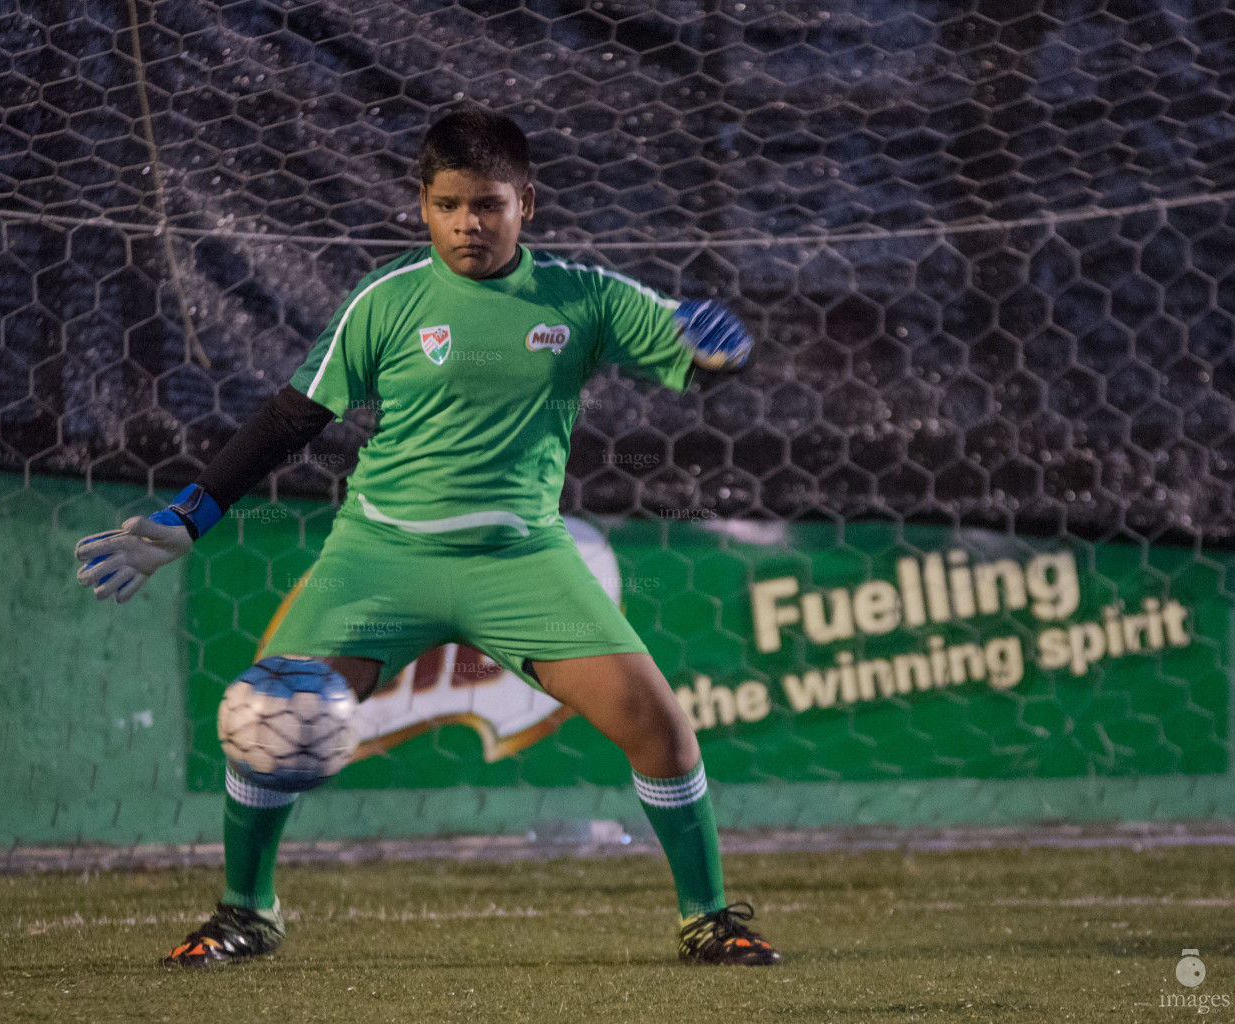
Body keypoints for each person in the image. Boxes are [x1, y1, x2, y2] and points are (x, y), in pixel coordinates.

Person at [75, 109, 778, 968]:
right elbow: (292, 419)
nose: (466, 224)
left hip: (523, 559)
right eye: (447, 205)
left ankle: (710, 919)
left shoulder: (583, 296)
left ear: (527, 202)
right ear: (421, 205)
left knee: (661, 728)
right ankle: (244, 914)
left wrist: (722, 356)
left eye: (487, 205)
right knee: (270, 714)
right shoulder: (387, 301)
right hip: (381, 559)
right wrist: (192, 515)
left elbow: (695, 347)